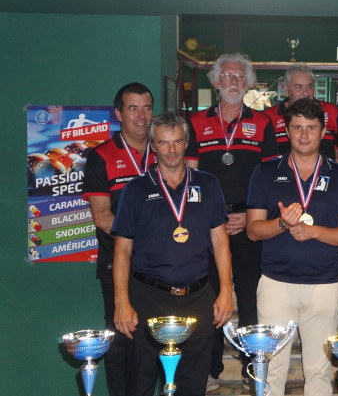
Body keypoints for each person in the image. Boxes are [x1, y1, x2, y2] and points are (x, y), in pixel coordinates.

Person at [246, 98, 338, 396]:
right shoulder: (265, 172)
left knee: (319, 371)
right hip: (275, 285)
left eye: (311, 128)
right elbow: (253, 231)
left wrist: (313, 232)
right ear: (286, 131)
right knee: (271, 369)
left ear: (323, 132)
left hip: (324, 286)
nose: (304, 135)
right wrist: (282, 224)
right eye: (297, 127)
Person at [112, 112, 233, 396]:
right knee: (140, 383)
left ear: (186, 142)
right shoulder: (136, 189)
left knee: (192, 385)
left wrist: (226, 291)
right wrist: (122, 302)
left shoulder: (208, 184)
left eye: (177, 141)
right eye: (164, 143)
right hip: (148, 298)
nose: (172, 150)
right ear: (153, 145)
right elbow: (122, 249)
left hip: (197, 298)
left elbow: (220, 242)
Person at [185, 53, 279, 389]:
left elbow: (270, 177)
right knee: (208, 298)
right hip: (210, 226)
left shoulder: (263, 123)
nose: (234, 82)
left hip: (250, 222)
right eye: (227, 76)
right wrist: (213, 219)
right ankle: (209, 370)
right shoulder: (196, 123)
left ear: (249, 82)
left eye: (241, 76)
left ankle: (253, 368)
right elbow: (191, 178)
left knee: (251, 298)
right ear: (215, 81)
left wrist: (250, 213)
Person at [83, 82, 156, 396]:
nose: (141, 116)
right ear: (118, 114)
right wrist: (151, 234)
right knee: (120, 342)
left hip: (159, 268)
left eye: (147, 108)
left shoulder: (164, 151)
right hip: (116, 265)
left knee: (153, 341)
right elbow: (102, 217)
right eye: (133, 108)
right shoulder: (101, 156)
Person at [264, 63, 338, 159]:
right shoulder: (269, 117)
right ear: (286, 89)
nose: (305, 93)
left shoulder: (331, 111)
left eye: (309, 87)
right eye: (299, 87)